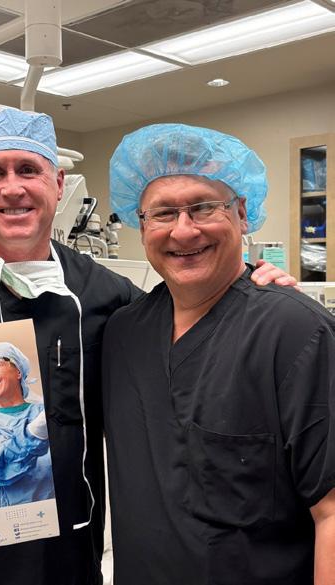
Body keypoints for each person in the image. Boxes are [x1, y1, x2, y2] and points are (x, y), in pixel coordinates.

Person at [0, 105, 296, 585]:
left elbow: (197, 317)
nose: (12, 187)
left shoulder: (108, 295)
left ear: (58, 184)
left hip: (68, 564)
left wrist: (253, 289)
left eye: (28, 170)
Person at [102, 123, 335, 585]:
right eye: (163, 213)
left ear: (242, 213)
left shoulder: (296, 332)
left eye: (204, 207)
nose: (184, 231)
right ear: (141, 225)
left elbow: (331, 512)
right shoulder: (122, 332)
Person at [0, 341, 54, 506]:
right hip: (13, 518)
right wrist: (37, 430)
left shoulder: (47, 411)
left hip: (58, 511)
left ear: (18, 372)